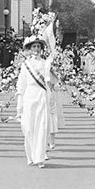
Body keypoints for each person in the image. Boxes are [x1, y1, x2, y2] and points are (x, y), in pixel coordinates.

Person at [15, 20, 56, 169]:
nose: (36, 49)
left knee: (41, 126)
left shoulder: (46, 63)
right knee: (28, 127)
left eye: (39, 46)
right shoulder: (25, 65)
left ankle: (40, 158)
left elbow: (51, 81)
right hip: (29, 96)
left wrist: (52, 65)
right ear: (30, 48)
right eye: (34, 46)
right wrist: (19, 105)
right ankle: (31, 155)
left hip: (42, 95)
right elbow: (21, 85)